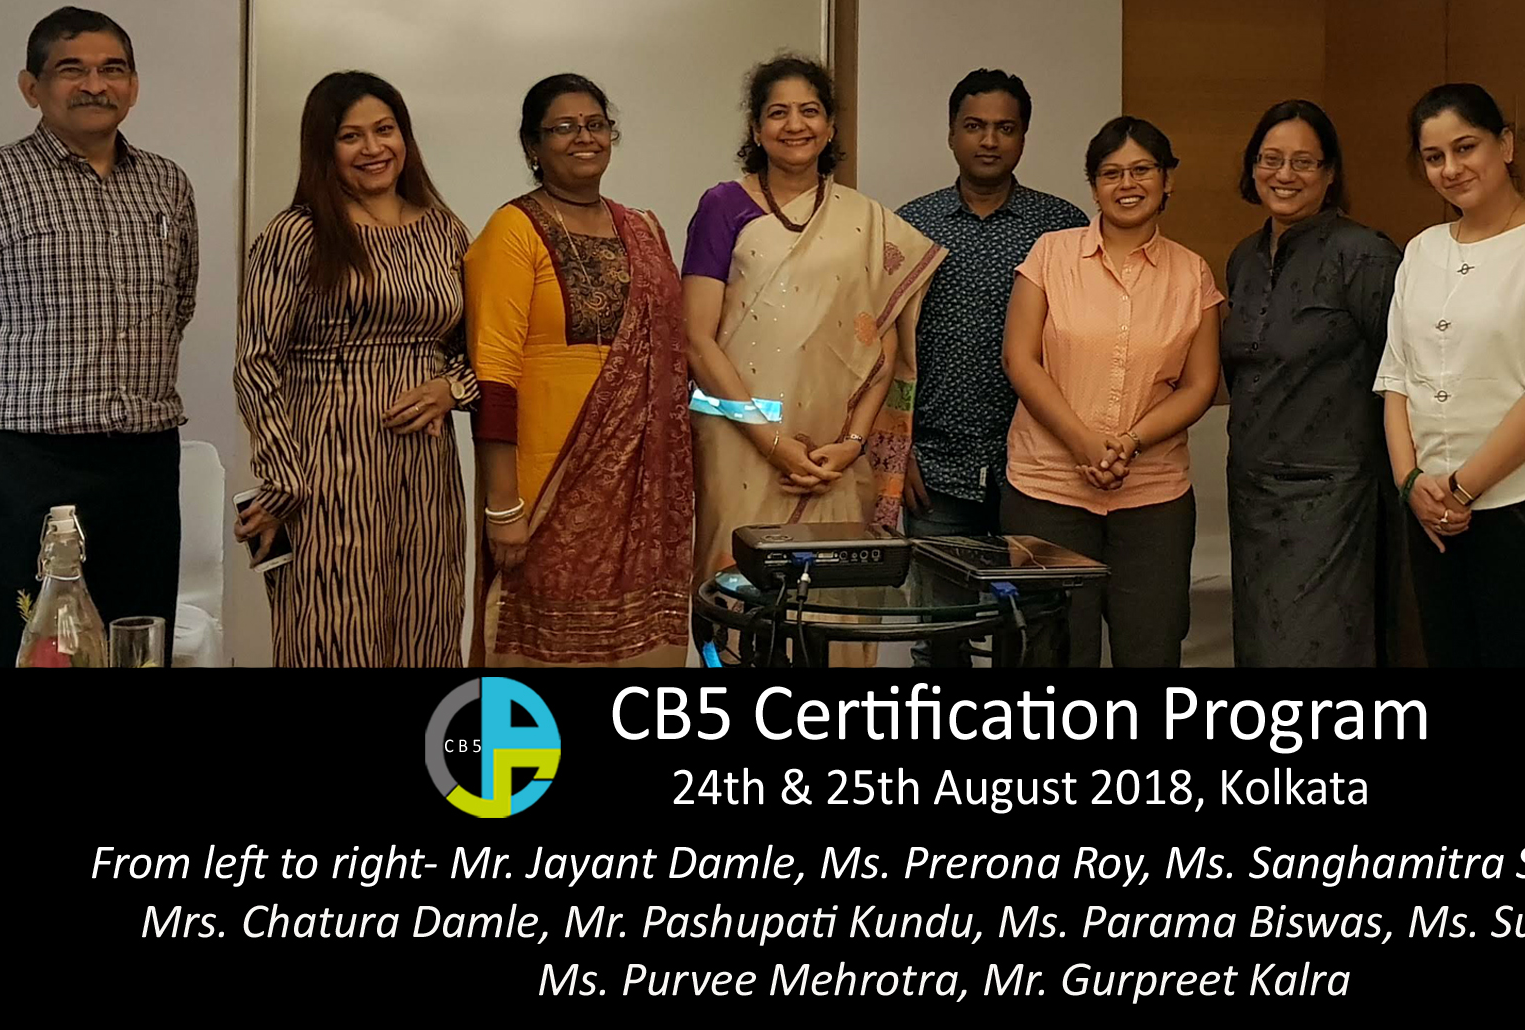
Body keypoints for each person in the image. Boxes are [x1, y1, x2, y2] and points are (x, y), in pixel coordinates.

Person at [0, 7, 195, 668]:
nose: (95, 85)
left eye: (112, 69)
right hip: (26, 465)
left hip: (144, 461)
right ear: (32, 87)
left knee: (137, 641)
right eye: (71, 70)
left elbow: (178, 304)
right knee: (31, 647)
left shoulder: (167, 183)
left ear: (133, 86)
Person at [682, 56, 945, 622]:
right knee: (742, 600)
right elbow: (697, 341)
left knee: (833, 606)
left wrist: (853, 442)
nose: (795, 125)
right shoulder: (722, 207)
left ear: (829, 128)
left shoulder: (865, 221)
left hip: (834, 454)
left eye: (809, 111)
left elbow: (881, 346)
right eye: (778, 113)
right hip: (736, 436)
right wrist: (772, 443)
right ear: (756, 130)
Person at [234, 71, 478, 667]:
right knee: (334, 634)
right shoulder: (296, 234)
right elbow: (256, 362)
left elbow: (479, 351)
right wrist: (284, 481)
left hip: (427, 474)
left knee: (427, 626)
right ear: (325, 148)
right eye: (351, 136)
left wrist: (452, 388)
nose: (373, 148)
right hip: (326, 472)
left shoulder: (445, 230)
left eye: (385, 130)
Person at [464, 74, 692, 668]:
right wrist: (503, 506)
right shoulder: (512, 230)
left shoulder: (643, 228)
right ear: (532, 146)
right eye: (563, 127)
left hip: (644, 492)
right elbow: (493, 377)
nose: (583, 137)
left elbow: (676, 358)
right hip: (549, 488)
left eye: (596, 124)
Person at [1377, 84, 1525, 669]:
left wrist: (1460, 489)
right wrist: (1410, 483)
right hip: (1431, 508)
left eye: (1465, 147)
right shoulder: (1421, 250)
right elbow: (1395, 378)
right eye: (1434, 157)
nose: (1451, 169)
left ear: (1505, 145)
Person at [1001, 116, 1223, 668]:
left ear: (1167, 180)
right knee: (1049, 653)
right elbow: (1019, 359)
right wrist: (1083, 442)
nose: (1127, 184)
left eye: (1142, 170)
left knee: (1151, 650)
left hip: (1153, 498)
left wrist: (1129, 442)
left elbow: (1200, 385)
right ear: (1094, 185)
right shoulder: (1050, 254)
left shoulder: (1192, 273)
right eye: (1111, 173)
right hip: (1047, 490)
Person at [1223, 100, 1400, 668]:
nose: (1285, 174)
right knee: (1258, 647)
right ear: (1252, 167)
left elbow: (1406, 374)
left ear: (1329, 173)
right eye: (1270, 159)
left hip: (1333, 495)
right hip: (1251, 491)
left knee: (1312, 651)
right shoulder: (1244, 258)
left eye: (1303, 162)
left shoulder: (1364, 255)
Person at [899, 70, 1086, 539]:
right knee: (940, 591)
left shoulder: (1063, 228)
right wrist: (896, 449)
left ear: (1023, 137)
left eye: (1005, 128)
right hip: (936, 470)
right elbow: (885, 351)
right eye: (974, 126)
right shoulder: (910, 227)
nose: (989, 140)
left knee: (1041, 590)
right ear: (951, 134)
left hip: (1043, 469)